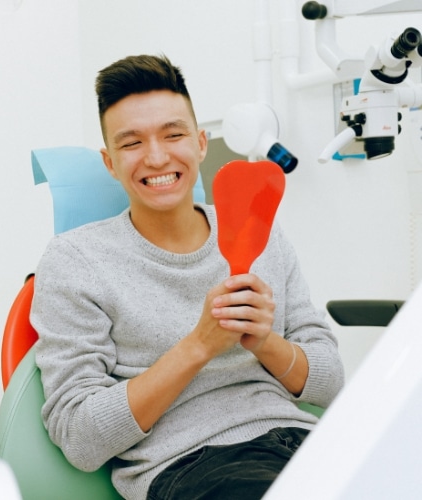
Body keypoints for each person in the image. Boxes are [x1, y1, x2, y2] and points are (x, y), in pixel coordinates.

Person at [31, 54, 344, 500]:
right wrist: (199, 345)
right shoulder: (76, 260)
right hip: (190, 464)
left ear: (200, 143)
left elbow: (331, 385)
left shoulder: (261, 232)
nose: (157, 157)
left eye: (173, 135)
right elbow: (80, 439)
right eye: (131, 143)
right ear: (110, 162)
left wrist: (264, 342)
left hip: (302, 441)